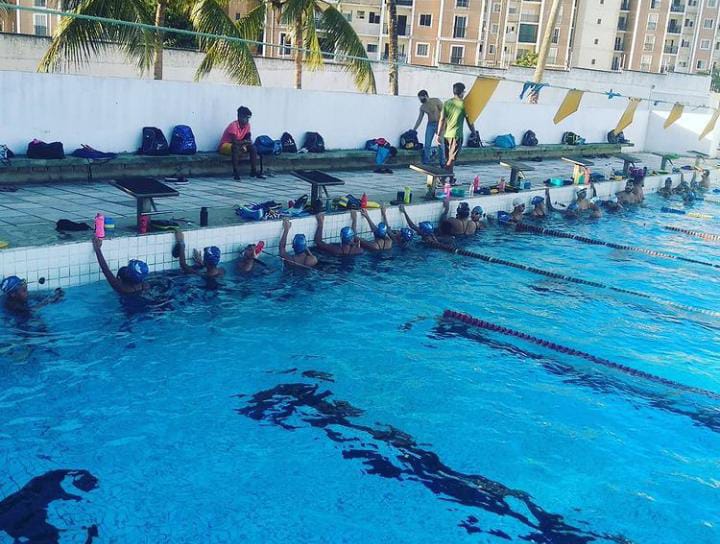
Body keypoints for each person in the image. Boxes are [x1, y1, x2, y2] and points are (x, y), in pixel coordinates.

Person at [218, 106, 265, 182]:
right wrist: (244, 143)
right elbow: (234, 142)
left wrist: (245, 144)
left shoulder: (247, 126)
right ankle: (235, 172)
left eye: (248, 118)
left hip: (240, 144)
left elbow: (248, 140)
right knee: (235, 148)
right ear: (239, 117)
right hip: (225, 145)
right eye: (246, 118)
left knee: (253, 148)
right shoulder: (233, 126)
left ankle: (253, 171)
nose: (247, 120)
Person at [437, 82, 475, 174]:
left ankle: (450, 178)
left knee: (449, 159)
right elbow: (469, 120)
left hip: (447, 135)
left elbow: (442, 119)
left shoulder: (447, 103)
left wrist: (438, 134)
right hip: (457, 135)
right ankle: (443, 176)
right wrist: (473, 132)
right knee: (451, 159)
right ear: (461, 92)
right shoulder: (464, 104)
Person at [413, 90, 445, 166]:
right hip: (430, 125)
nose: (420, 100)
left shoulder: (435, 101)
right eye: (419, 99)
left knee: (440, 144)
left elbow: (444, 112)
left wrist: (444, 124)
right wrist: (414, 129)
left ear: (426, 96)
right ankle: (426, 162)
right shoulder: (422, 107)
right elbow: (419, 119)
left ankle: (442, 163)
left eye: (421, 98)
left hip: (439, 123)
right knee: (427, 144)